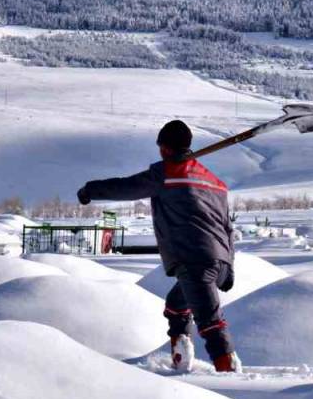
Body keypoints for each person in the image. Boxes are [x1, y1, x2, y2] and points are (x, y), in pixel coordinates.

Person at [77, 120, 241, 372]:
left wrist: (90, 190)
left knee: (210, 324)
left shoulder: (166, 173)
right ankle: (180, 357)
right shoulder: (215, 183)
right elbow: (227, 227)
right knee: (177, 307)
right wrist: (227, 266)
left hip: (193, 260)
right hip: (217, 260)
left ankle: (233, 378)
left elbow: (125, 187)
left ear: (164, 148)